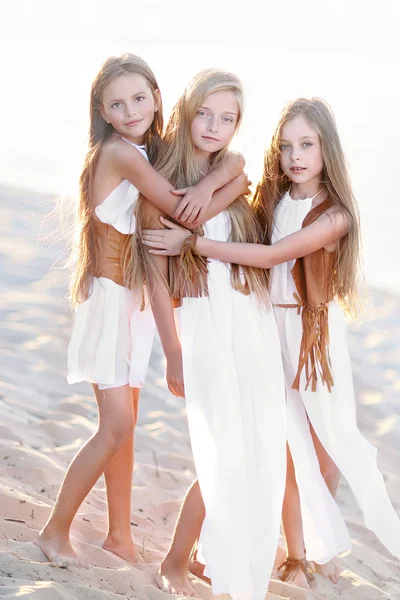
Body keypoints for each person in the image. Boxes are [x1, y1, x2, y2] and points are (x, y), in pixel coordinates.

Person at [143, 96, 400, 589]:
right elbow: (237, 182)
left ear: (328, 150)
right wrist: (210, 189)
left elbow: (272, 256)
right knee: (277, 441)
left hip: (311, 339)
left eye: (307, 144)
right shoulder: (274, 200)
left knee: (327, 448)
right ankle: (295, 556)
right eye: (286, 146)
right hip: (263, 328)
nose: (296, 156)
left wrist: (191, 243)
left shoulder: (336, 214)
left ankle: (315, 541)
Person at [35, 54, 247, 568]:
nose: (130, 110)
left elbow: (235, 162)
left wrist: (232, 174)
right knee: (114, 428)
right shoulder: (120, 154)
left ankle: (119, 537)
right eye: (117, 103)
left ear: (156, 96)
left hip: (133, 305)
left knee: (126, 429)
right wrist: (220, 189)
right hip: (109, 303)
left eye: (139, 97)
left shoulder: (147, 148)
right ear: (103, 112)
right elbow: (182, 209)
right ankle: (54, 530)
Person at [138, 69, 287, 600]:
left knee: (253, 447)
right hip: (204, 321)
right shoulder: (160, 177)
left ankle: (210, 554)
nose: (214, 125)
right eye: (205, 112)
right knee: (221, 447)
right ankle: (174, 560)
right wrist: (173, 351)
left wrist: (208, 187)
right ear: (186, 108)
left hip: (251, 318)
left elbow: (240, 172)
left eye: (228, 118)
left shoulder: (226, 174)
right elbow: (156, 276)